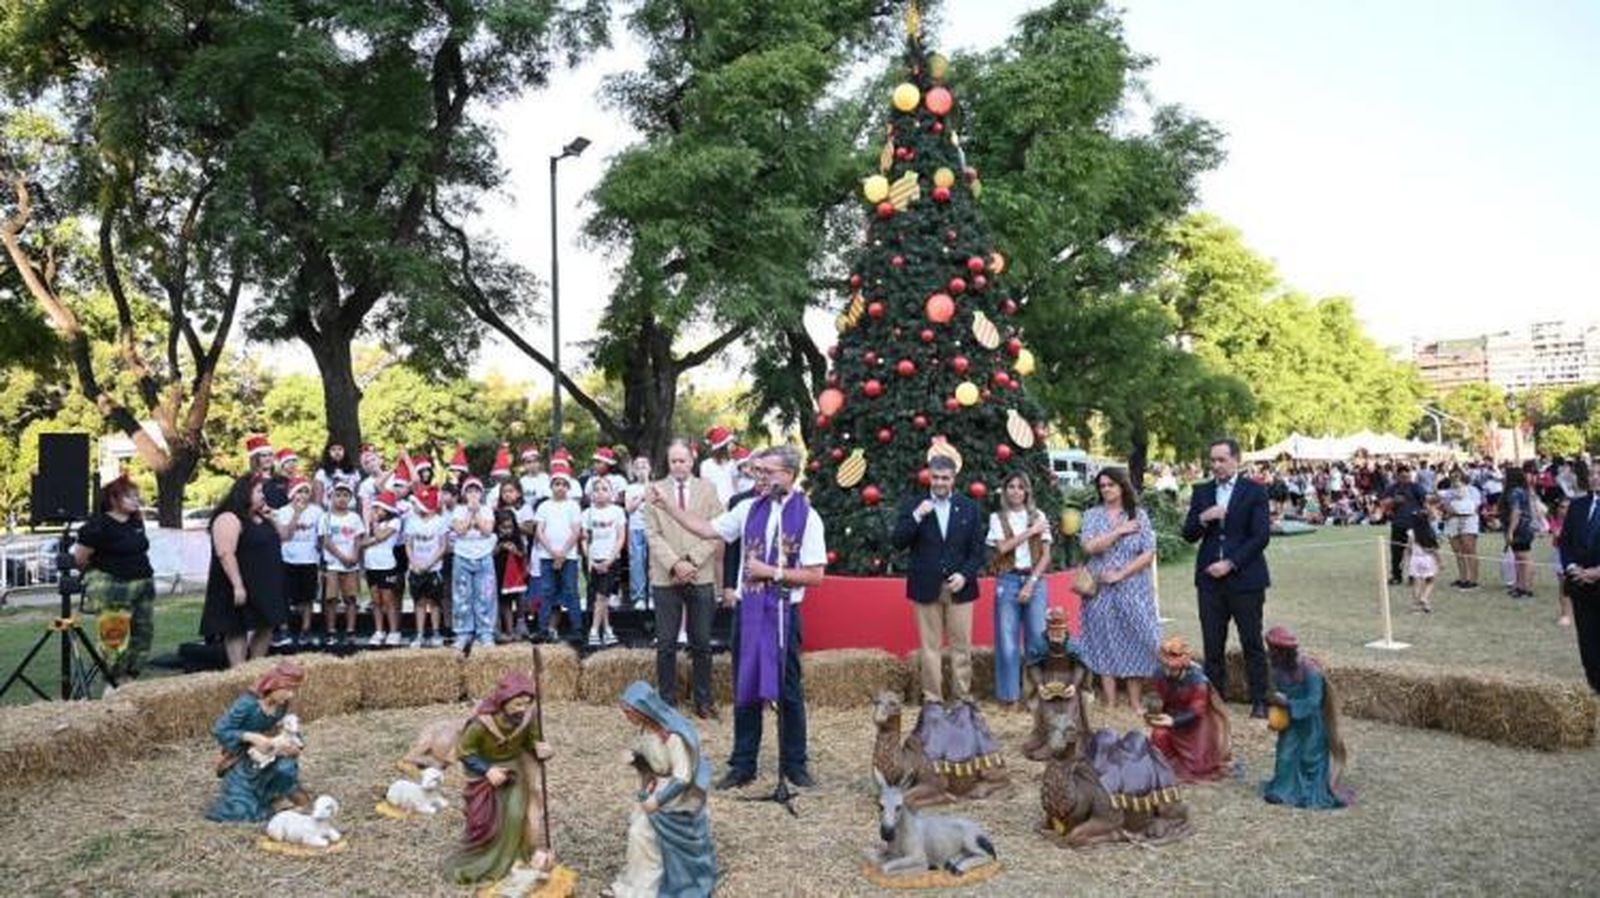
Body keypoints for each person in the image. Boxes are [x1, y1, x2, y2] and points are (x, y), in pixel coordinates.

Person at [650, 445, 826, 789]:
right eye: (756, 471)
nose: (758, 478)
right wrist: (668, 506)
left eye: (766, 472)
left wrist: (772, 572)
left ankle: (795, 764)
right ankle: (743, 764)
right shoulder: (747, 509)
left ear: (788, 475)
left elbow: (816, 574)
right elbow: (705, 530)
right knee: (745, 686)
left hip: (783, 613)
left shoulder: (808, 517)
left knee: (788, 690)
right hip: (750, 612)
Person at [1181, 437, 1273, 718]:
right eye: (1213, 460)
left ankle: (1260, 699)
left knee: (1252, 642)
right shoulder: (1202, 492)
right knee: (1212, 644)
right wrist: (1202, 518)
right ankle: (1214, 700)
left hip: (1245, 579)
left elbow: (1260, 536)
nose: (1216, 465)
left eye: (1222, 459)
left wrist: (1231, 563)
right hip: (1209, 582)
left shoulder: (1255, 491)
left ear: (1236, 460)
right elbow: (1188, 535)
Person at [890, 453, 988, 705]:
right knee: (929, 648)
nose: (940, 483)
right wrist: (916, 516)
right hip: (925, 587)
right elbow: (898, 541)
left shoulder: (969, 507)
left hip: (960, 589)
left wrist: (965, 575)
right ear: (929, 477)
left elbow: (978, 551)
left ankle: (961, 700)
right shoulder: (915, 505)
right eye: (935, 478)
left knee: (961, 649)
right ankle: (933, 700)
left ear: (954, 478)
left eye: (945, 478)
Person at [605, 680, 718, 898]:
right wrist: (636, 760)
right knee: (636, 832)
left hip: (674, 797)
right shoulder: (646, 731)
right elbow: (651, 762)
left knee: (641, 834)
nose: (627, 717)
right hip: (654, 789)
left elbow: (682, 777)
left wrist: (658, 801)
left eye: (630, 712)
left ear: (642, 712)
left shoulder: (673, 737)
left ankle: (648, 888)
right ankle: (634, 884)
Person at [443, 671, 554, 886]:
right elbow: (465, 752)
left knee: (514, 815)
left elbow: (531, 743)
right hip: (483, 775)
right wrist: (487, 770)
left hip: (513, 772)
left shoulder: (527, 718)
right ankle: (485, 857)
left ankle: (513, 858)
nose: (522, 709)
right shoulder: (480, 724)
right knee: (483, 820)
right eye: (517, 704)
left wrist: (541, 749)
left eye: (526, 704)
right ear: (503, 701)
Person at [643, 440, 725, 717]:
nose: (678, 465)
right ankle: (666, 701)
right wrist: (675, 564)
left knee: (701, 642)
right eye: (673, 461)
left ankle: (703, 700)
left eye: (683, 460)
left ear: (692, 462)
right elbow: (651, 534)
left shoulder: (708, 490)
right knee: (666, 643)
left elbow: (716, 531)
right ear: (668, 462)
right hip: (666, 577)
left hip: (700, 575)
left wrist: (691, 562)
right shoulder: (653, 492)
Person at [1078, 466, 1160, 710]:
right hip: (1099, 590)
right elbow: (1089, 548)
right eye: (1102, 486)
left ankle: (1135, 702)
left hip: (1133, 588)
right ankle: (1109, 702)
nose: (1105, 489)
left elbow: (1148, 553)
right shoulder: (1092, 515)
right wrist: (1118, 531)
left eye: (1110, 485)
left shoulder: (1139, 515)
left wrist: (1121, 574)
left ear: (1122, 486)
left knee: (1137, 640)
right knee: (1103, 640)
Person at [74, 476, 156, 681]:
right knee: (115, 637)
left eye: (137, 496)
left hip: (142, 585)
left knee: (143, 634)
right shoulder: (98, 525)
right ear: (113, 498)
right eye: (130, 496)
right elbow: (80, 558)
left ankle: (131, 675)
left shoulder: (136, 522)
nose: (136, 500)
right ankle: (114, 680)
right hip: (112, 588)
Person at [201, 475, 286, 667]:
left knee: (267, 624)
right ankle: (238, 671)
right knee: (236, 627)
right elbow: (225, 553)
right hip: (239, 581)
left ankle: (255, 668)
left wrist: (273, 519)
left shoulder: (261, 517)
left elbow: (284, 536)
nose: (263, 496)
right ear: (245, 493)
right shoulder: (229, 518)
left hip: (265, 583)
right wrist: (238, 585)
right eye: (258, 491)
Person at [206, 661, 308, 822]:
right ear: (274, 685)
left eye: (294, 690)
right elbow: (220, 729)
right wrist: (252, 737)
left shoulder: (281, 705)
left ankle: (275, 796)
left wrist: (295, 746)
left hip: (271, 755)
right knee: (239, 812)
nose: (291, 695)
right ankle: (253, 799)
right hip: (243, 760)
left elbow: (287, 728)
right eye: (288, 690)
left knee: (286, 768)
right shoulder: (247, 704)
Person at [1261, 626, 1350, 809]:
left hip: (1311, 724)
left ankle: (1309, 790)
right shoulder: (1276, 669)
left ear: (1285, 653)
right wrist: (1271, 701)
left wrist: (1287, 704)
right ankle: (1282, 790)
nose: (1270, 656)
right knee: (1285, 755)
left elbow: (1313, 701)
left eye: (1274, 652)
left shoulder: (1311, 671)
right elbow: (1275, 692)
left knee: (1310, 759)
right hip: (1292, 722)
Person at [986, 472, 1053, 709]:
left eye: (1020, 487)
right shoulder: (997, 518)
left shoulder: (1038, 515)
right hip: (1008, 579)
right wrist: (1030, 532)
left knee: (1037, 638)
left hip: (1034, 579)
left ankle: (1037, 693)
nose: (1016, 491)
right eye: (1011, 487)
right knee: (1007, 640)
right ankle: (1009, 696)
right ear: (1005, 491)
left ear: (1027, 491)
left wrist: (1031, 583)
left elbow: (1046, 556)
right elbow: (1003, 548)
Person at [1145, 635, 1232, 783]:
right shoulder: (1159, 674)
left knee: (1198, 766)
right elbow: (1157, 695)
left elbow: (1196, 712)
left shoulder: (1197, 681)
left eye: (1171, 668)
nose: (1167, 671)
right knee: (1159, 735)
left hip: (1195, 726)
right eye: (1165, 666)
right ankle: (1164, 766)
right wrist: (1153, 708)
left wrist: (1173, 721)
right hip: (1170, 718)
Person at [1557, 460, 1600, 692]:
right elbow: (1565, 542)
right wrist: (1572, 566)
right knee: (1588, 642)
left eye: (1599, 474)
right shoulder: (1578, 506)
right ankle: (1594, 685)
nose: (1594, 477)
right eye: (1592, 473)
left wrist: (1597, 572)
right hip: (1581, 586)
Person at [534, 463, 585, 641]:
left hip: (568, 557)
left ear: (568, 487)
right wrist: (552, 552)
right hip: (547, 557)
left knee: (571, 592)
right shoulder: (544, 507)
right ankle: (542, 629)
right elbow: (539, 531)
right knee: (547, 592)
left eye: (564, 484)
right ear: (551, 486)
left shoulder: (573, 506)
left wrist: (562, 553)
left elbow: (576, 531)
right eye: (557, 484)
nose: (560, 487)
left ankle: (577, 629)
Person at [271, 477, 323, 647]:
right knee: (285, 596)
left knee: (307, 598)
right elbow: (286, 535)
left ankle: (305, 629)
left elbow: (321, 536)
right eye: (299, 491)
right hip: (288, 559)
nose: (303, 495)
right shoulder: (282, 512)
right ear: (292, 494)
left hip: (309, 560)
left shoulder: (317, 511)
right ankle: (284, 630)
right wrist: (297, 514)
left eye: (306, 491)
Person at [451, 476, 499, 653]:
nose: (473, 494)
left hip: (483, 556)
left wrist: (477, 512)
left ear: (481, 493)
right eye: (469, 491)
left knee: (485, 595)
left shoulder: (487, 510)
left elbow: (487, 530)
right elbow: (460, 530)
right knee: (462, 596)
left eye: (476, 491)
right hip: (462, 556)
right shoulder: (458, 510)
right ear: (464, 494)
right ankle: (463, 632)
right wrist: (469, 512)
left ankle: (485, 632)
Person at [583, 477, 628, 647]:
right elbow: (584, 539)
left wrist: (609, 560)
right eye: (597, 489)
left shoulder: (617, 511)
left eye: (604, 489)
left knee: (602, 595)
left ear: (612, 493)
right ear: (591, 494)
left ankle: (594, 630)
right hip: (594, 560)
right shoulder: (587, 513)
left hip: (611, 559)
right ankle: (607, 628)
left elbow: (621, 537)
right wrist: (591, 560)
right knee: (601, 597)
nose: (600, 492)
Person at [319, 483, 365, 646]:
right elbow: (326, 540)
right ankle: (331, 631)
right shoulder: (326, 517)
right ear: (331, 497)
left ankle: (350, 630)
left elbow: (358, 539)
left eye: (345, 495)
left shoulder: (354, 517)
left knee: (351, 598)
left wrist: (353, 555)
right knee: (331, 599)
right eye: (338, 495)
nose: (341, 498)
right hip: (333, 565)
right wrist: (341, 557)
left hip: (351, 565)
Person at [406, 486, 449, 647]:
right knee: (419, 602)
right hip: (416, 569)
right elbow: (409, 545)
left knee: (434, 602)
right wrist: (415, 563)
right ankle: (420, 633)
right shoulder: (412, 522)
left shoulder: (439, 522)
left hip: (434, 569)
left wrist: (429, 564)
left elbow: (442, 546)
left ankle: (436, 632)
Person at [363, 491, 405, 646]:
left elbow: (381, 536)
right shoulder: (372, 525)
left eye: (378, 509)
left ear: (387, 509)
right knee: (376, 600)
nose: (375, 512)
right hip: (371, 565)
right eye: (374, 509)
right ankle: (379, 630)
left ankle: (394, 631)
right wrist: (373, 536)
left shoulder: (395, 522)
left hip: (386, 565)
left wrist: (374, 529)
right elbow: (362, 543)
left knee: (388, 599)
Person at [494, 480, 531, 642]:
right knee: (505, 599)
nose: (508, 494)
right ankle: (508, 629)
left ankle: (521, 624)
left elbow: (530, 530)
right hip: (501, 567)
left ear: (519, 493)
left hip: (518, 564)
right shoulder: (496, 511)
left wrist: (514, 523)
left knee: (520, 595)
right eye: (504, 492)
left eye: (511, 491)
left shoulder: (525, 509)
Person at [1380, 465, 1427, 585]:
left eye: (1408, 476)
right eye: (1402, 476)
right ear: (1397, 476)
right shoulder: (1392, 488)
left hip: (1414, 523)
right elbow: (1383, 503)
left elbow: (1425, 502)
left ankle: (1413, 576)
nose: (1406, 478)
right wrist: (1393, 501)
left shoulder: (1416, 487)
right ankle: (1396, 576)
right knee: (1396, 551)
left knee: (1414, 551)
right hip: (1398, 523)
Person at [1440, 474, 1483, 590]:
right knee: (1458, 551)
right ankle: (1463, 578)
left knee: (1469, 550)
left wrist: (1457, 512)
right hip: (1452, 522)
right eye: (1453, 479)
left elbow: (1474, 507)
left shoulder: (1473, 490)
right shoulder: (1448, 492)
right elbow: (1444, 504)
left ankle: (1473, 580)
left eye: (1457, 479)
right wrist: (1450, 510)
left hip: (1468, 521)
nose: (1454, 482)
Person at [624, 455, 654, 610]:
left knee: (654, 563)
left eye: (645, 465)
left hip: (653, 528)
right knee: (637, 562)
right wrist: (642, 496)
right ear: (634, 471)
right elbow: (628, 509)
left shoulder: (656, 486)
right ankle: (639, 597)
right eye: (638, 466)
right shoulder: (630, 488)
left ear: (650, 469)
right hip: (636, 528)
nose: (642, 469)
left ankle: (653, 596)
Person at [1502, 468, 1537, 599]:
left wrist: (1510, 531)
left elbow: (1516, 512)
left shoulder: (1515, 492)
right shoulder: (1521, 491)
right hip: (1522, 528)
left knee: (1524, 558)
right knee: (1518, 558)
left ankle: (1526, 588)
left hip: (1520, 529)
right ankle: (1520, 586)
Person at [1405, 494, 1442, 613]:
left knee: (1416, 582)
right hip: (1428, 559)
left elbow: (1408, 548)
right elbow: (1434, 550)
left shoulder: (1412, 533)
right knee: (1430, 580)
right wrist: (1440, 562)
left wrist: (1404, 560)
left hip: (1414, 559)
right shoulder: (1429, 536)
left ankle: (1415, 604)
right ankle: (1424, 598)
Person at [697, 425, 738, 507]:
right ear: (722, 447)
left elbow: (735, 486)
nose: (732, 446)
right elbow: (704, 487)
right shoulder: (706, 465)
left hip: (730, 504)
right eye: (729, 444)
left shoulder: (732, 463)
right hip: (713, 505)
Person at [312, 442, 360, 508]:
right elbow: (318, 498)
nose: (337, 452)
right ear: (328, 453)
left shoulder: (354, 472)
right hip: (329, 510)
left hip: (350, 509)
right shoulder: (321, 473)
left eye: (340, 449)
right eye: (333, 450)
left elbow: (358, 495)